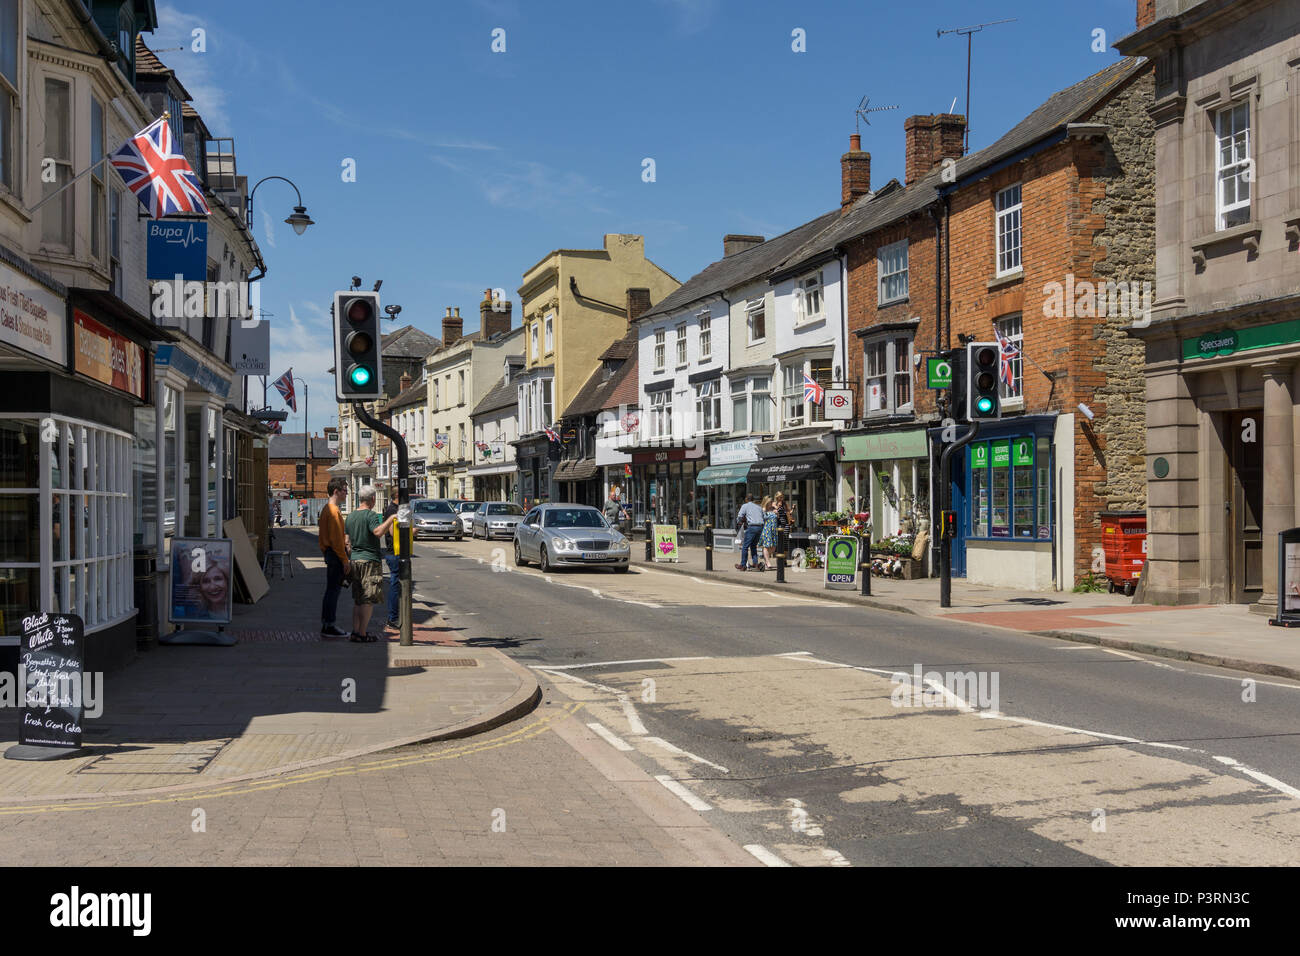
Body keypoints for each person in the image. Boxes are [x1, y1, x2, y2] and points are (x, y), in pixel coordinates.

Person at [343, 484, 398, 643]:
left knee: (358, 599)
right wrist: (392, 518)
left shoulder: (351, 516)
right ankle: (362, 633)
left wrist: (349, 556)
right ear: (373, 499)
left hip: (355, 560)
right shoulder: (371, 515)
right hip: (369, 561)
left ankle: (355, 631)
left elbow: (346, 541)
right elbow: (378, 532)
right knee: (367, 600)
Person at [318, 477, 351, 637]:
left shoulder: (327, 509)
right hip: (335, 555)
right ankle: (329, 625)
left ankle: (327, 623)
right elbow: (336, 541)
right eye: (345, 490)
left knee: (330, 590)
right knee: (333, 591)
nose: (347, 493)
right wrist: (345, 559)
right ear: (336, 491)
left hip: (329, 553)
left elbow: (328, 537)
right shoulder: (334, 511)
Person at [381, 489, 400, 629]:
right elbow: (393, 532)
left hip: (396, 551)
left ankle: (395, 616)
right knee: (395, 583)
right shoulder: (392, 510)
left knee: (398, 584)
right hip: (394, 552)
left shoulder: (395, 509)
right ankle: (392, 618)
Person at [734, 494, 765, 571]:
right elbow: (764, 517)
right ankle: (755, 564)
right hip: (760, 527)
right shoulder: (759, 507)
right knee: (753, 546)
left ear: (746, 499)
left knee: (745, 546)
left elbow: (740, 517)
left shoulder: (745, 506)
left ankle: (743, 565)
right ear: (753, 499)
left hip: (752, 527)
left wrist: (738, 523)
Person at [759, 496, 778, 571]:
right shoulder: (763, 510)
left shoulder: (773, 509)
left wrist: (775, 508)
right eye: (770, 502)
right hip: (767, 529)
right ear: (766, 502)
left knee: (773, 547)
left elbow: (778, 517)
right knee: (766, 546)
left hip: (774, 530)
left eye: (771, 502)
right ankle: (768, 561)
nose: (771, 503)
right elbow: (761, 519)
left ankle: (765, 558)